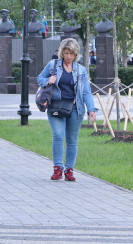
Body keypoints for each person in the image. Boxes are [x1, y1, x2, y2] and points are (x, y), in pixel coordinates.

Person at [37, 38, 97, 182]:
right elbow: (39, 78)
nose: (68, 56)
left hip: (75, 108)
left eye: (71, 53)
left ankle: (69, 170)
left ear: (76, 54)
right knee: (58, 135)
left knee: (72, 139)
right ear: (62, 53)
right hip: (56, 106)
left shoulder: (81, 70)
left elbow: (86, 92)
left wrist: (91, 109)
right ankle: (58, 168)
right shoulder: (53, 65)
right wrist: (48, 81)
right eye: (66, 53)